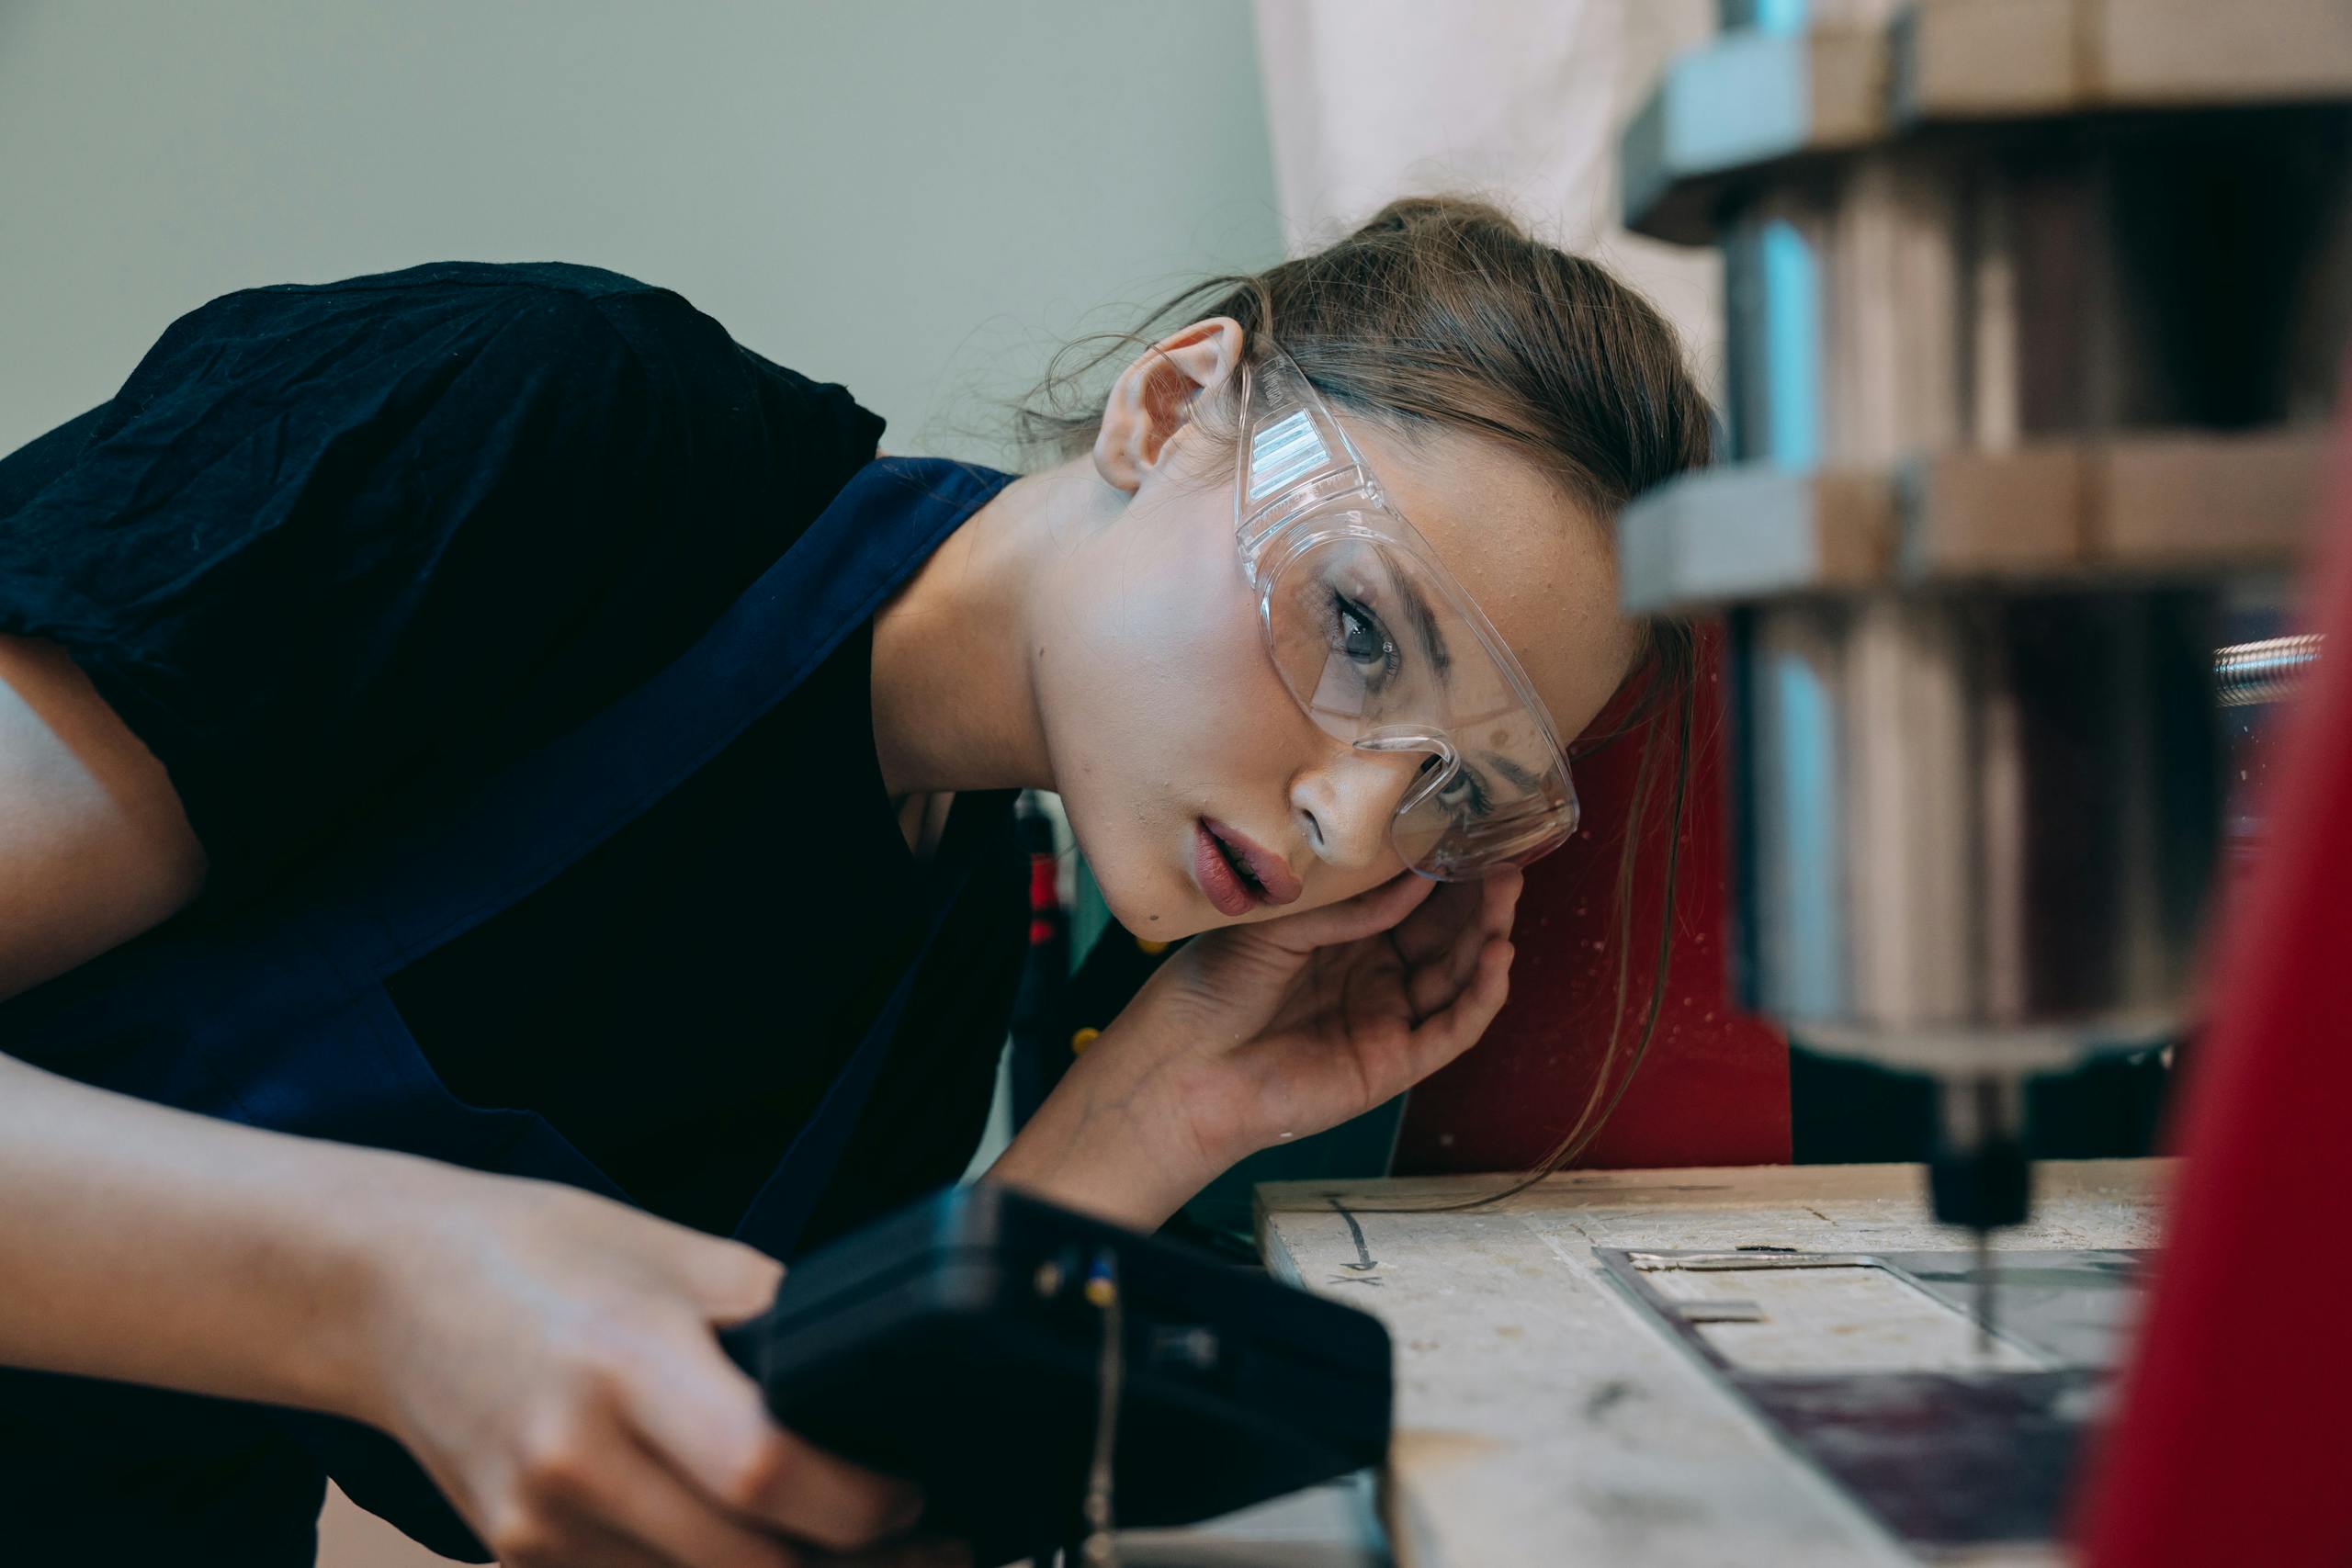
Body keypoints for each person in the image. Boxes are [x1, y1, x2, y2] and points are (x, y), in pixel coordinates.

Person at [0, 196, 1712, 1567]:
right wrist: (389, 1285)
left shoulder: (947, 941)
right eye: (1357, 628)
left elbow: (726, 1495)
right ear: (1174, 404)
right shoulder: (558, 426)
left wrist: (1153, 1115)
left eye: (1451, 788)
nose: (1352, 819)